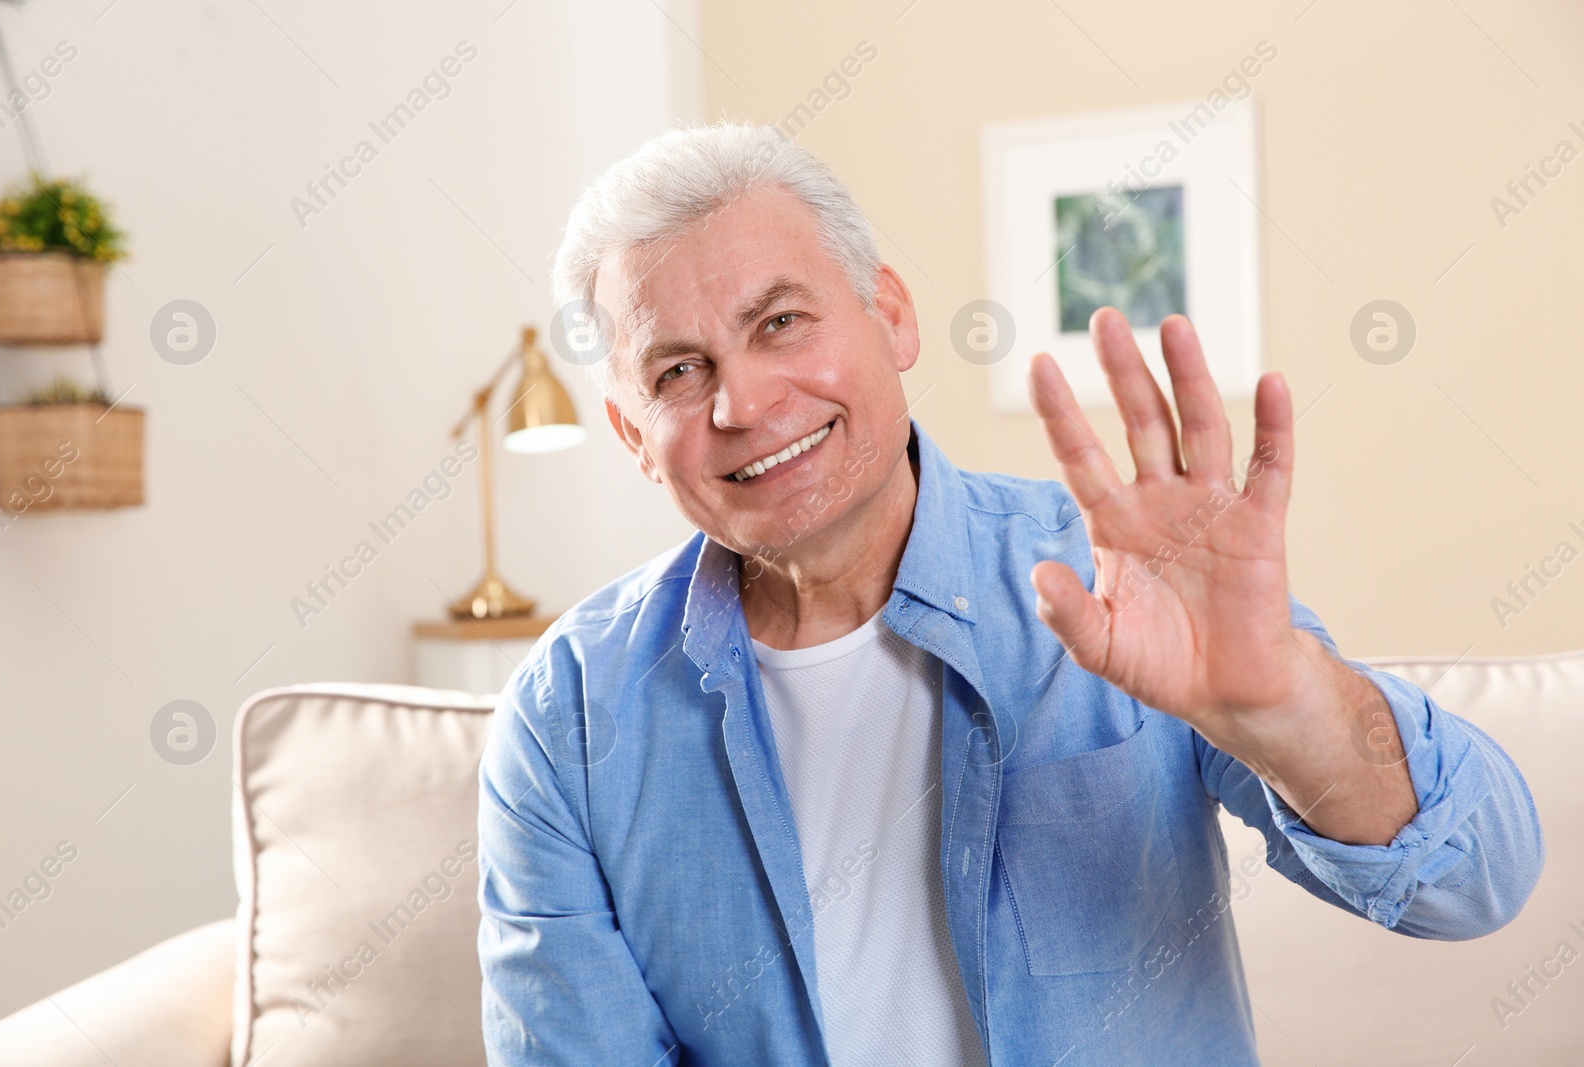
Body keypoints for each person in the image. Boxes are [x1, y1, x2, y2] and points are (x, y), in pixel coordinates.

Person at [475, 122, 1543, 1066]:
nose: (745, 401)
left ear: (889, 315)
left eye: (781, 323)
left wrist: (1284, 705)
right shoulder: (568, 711)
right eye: (678, 373)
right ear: (631, 437)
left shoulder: (1115, 575)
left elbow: (1473, 880)